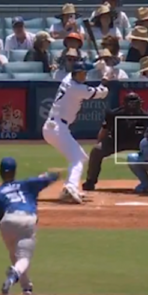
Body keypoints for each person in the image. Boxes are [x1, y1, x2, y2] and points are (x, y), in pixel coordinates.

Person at [0, 158, 59, 295]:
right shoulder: (27, 184)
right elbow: (50, 178)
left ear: (0, 172)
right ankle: (14, 275)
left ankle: (26, 287)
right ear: (15, 171)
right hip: (26, 220)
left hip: (7, 221)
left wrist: (0, 222)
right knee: (24, 258)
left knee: (14, 256)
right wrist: (53, 173)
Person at [42, 62, 110, 204]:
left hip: (55, 126)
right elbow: (101, 93)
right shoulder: (77, 88)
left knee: (79, 157)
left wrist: (98, 65)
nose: (84, 75)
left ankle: (70, 186)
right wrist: (104, 80)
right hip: (57, 127)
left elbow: (84, 67)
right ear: (76, 74)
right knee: (77, 159)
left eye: (84, 73)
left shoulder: (67, 78)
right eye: (82, 73)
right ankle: (70, 188)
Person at [83, 92, 148, 191]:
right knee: (97, 150)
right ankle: (90, 181)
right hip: (117, 140)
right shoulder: (113, 114)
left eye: (135, 103)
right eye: (130, 103)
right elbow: (104, 130)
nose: (132, 106)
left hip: (138, 142)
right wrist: (100, 143)